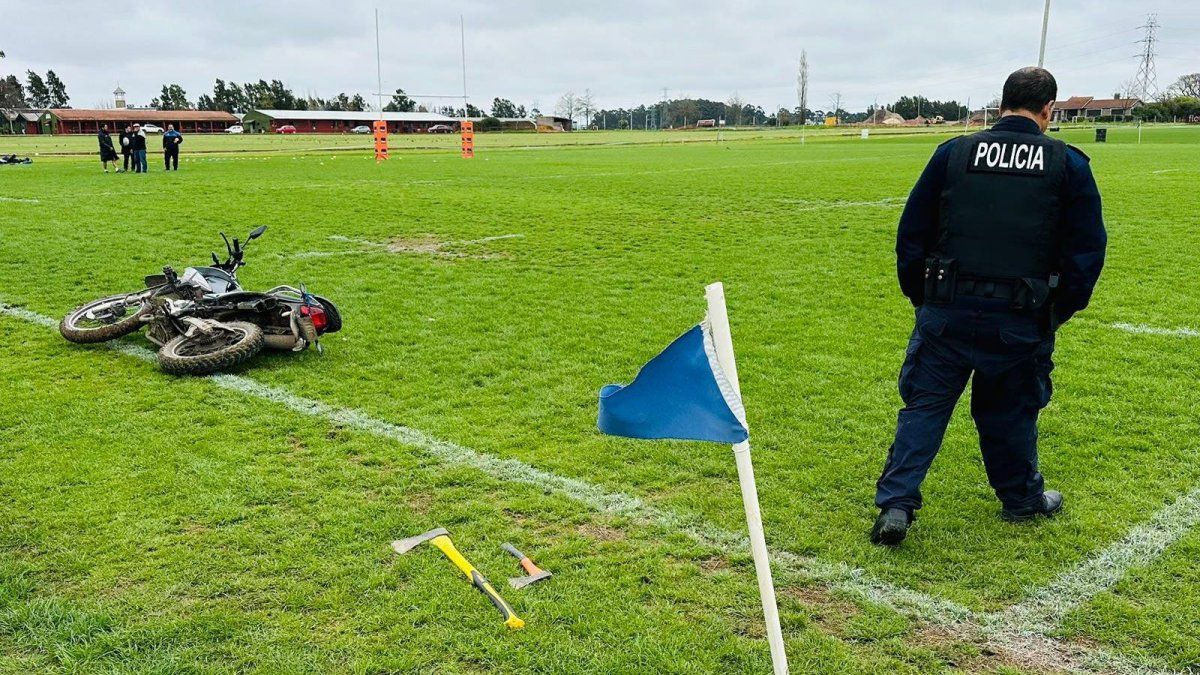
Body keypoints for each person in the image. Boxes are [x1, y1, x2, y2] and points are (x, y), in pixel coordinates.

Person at [870, 66, 1107, 546]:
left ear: (1001, 105)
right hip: (1021, 317)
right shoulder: (1068, 164)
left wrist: (923, 297)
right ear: (1048, 110)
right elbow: (1085, 254)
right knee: (1011, 412)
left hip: (946, 310)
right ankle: (1021, 500)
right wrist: (1055, 312)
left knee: (925, 407)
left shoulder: (953, 153)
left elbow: (911, 234)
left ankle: (896, 504)